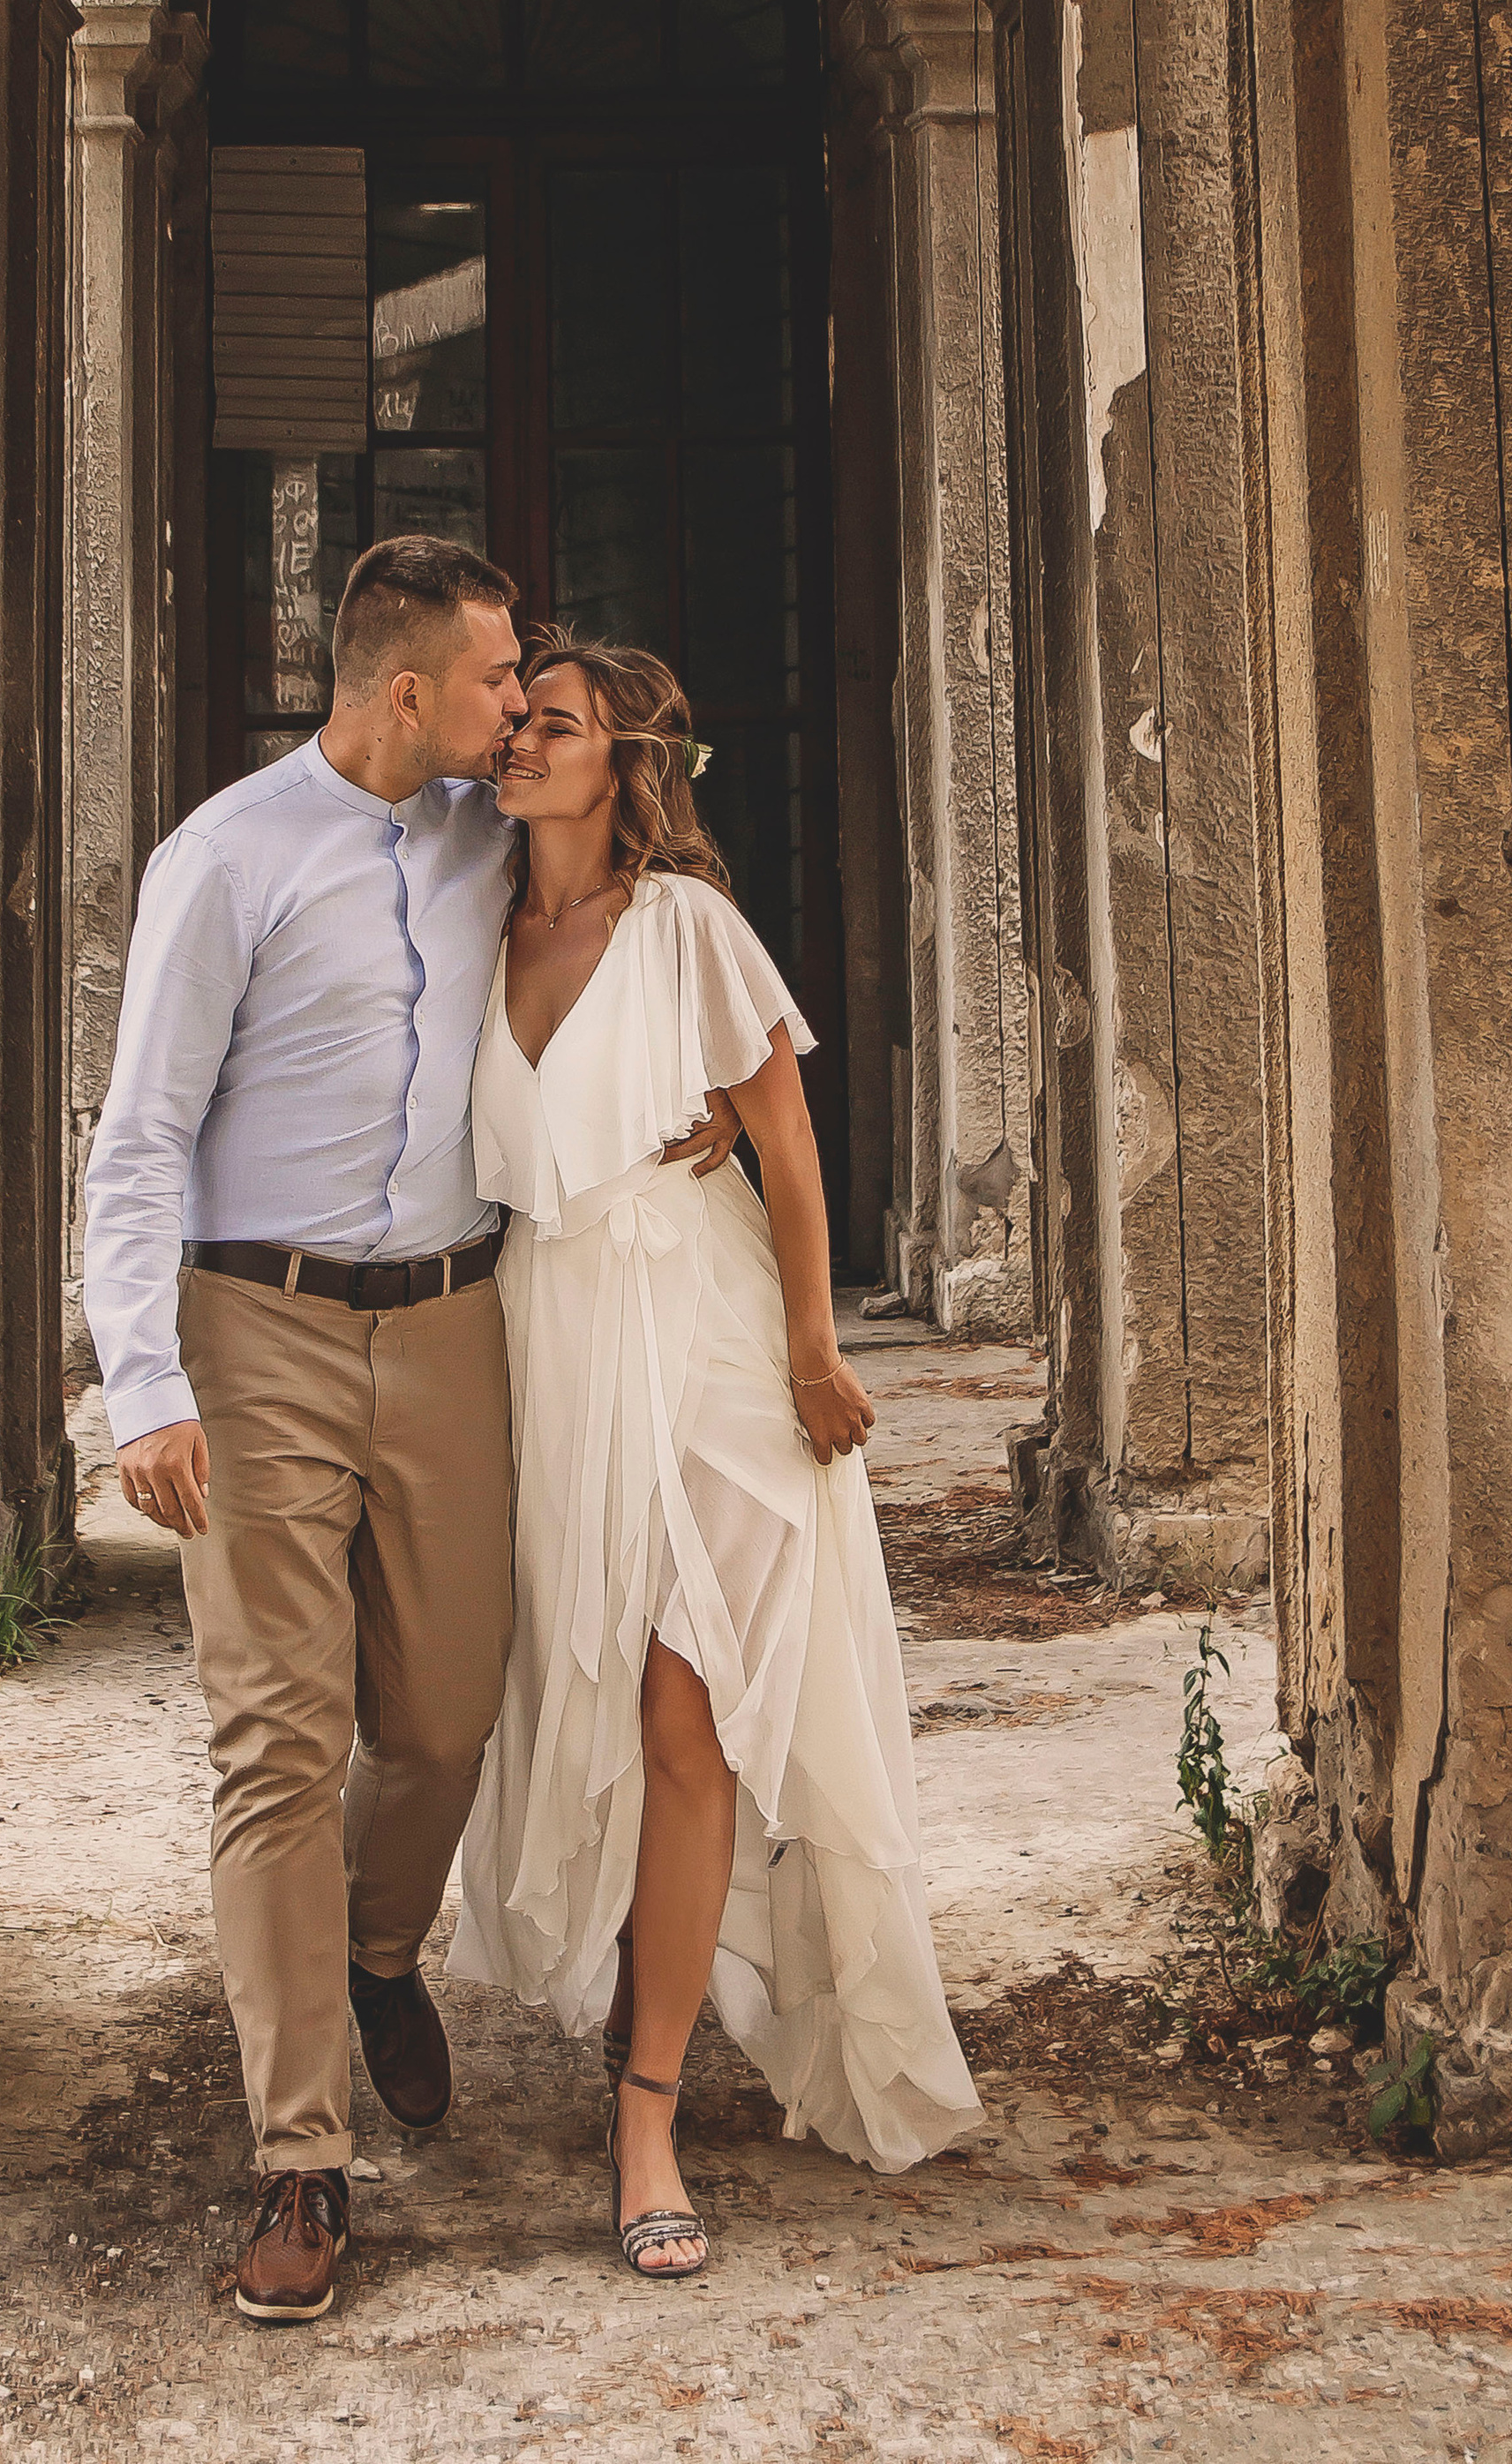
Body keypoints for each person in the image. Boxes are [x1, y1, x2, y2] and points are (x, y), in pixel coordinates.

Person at [80, 540, 735, 2325]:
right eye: (498, 677)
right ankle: (301, 2160)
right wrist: (144, 1383)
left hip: (453, 1324)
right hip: (257, 1329)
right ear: (406, 692)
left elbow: (642, 890)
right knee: (276, 1744)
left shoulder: (485, 836)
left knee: (445, 1716)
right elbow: (140, 1134)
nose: (519, 703)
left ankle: (379, 1953)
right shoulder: (225, 860)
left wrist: (708, 1097)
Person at [448, 636, 983, 2277]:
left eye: (552, 725)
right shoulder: (462, 922)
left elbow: (788, 1143)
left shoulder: (685, 925)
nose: (518, 741)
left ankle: (649, 2113)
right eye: (516, 720)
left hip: (705, 1335)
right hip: (546, 1338)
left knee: (694, 1712)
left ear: (626, 766)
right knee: (591, 1692)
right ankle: (637, 1998)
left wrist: (817, 1351)